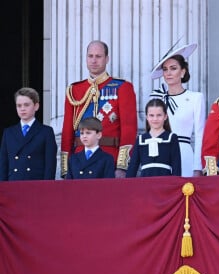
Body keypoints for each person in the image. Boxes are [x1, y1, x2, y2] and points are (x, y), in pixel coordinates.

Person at [61, 40, 138, 178]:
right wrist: (66, 169)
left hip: (110, 159)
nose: (94, 60)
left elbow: (129, 129)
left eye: (98, 56)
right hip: (79, 160)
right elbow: (67, 131)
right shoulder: (74, 90)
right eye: (90, 56)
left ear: (106, 59)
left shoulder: (122, 87)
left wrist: (122, 166)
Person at [150, 42, 206, 177]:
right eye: (165, 69)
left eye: (173, 68)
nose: (168, 73)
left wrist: (197, 167)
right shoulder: (156, 97)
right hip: (158, 153)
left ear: (183, 72)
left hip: (184, 153)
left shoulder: (195, 98)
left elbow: (200, 134)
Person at [0, 87, 57, 181]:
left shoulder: (46, 132)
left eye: (26, 105)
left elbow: (50, 165)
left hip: (35, 185)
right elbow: (3, 164)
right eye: (19, 105)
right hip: (12, 185)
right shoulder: (8, 133)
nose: (22, 109)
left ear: (36, 106)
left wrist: (47, 188)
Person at [126, 99, 181, 177]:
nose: (155, 119)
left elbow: (177, 168)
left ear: (165, 116)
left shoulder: (171, 138)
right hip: (145, 184)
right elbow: (132, 168)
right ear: (147, 117)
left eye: (159, 115)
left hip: (165, 184)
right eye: (151, 115)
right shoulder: (141, 139)